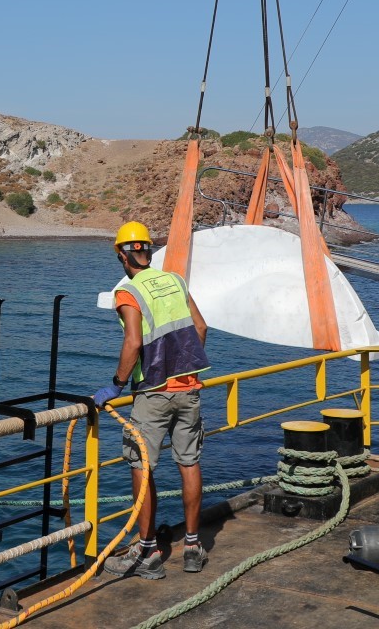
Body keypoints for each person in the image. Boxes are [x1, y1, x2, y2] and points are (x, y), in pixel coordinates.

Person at [91, 221, 211, 580]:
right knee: (189, 463)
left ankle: (146, 552)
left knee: (141, 466)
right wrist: (185, 368)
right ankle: (192, 546)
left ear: (121, 256)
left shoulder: (128, 293)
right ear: (147, 251)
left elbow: (132, 342)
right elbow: (200, 328)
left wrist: (116, 385)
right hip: (188, 388)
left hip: (152, 393)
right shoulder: (175, 281)